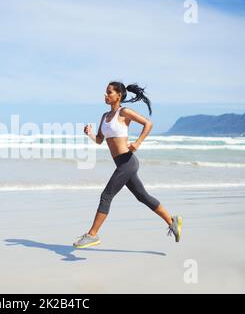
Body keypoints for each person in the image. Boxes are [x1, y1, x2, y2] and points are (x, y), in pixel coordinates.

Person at [73, 81, 182, 248]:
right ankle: (171, 220)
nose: (106, 95)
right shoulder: (104, 117)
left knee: (106, 196)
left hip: (128, 161)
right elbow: (100, 140)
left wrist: (137, 143)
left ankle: (92, 235)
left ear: (118, 95)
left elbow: (148, 124)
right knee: (142, 196)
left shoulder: (124, 112)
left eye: (109, 92)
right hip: (121, 164)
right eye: (106, 92)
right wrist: (90, 134)